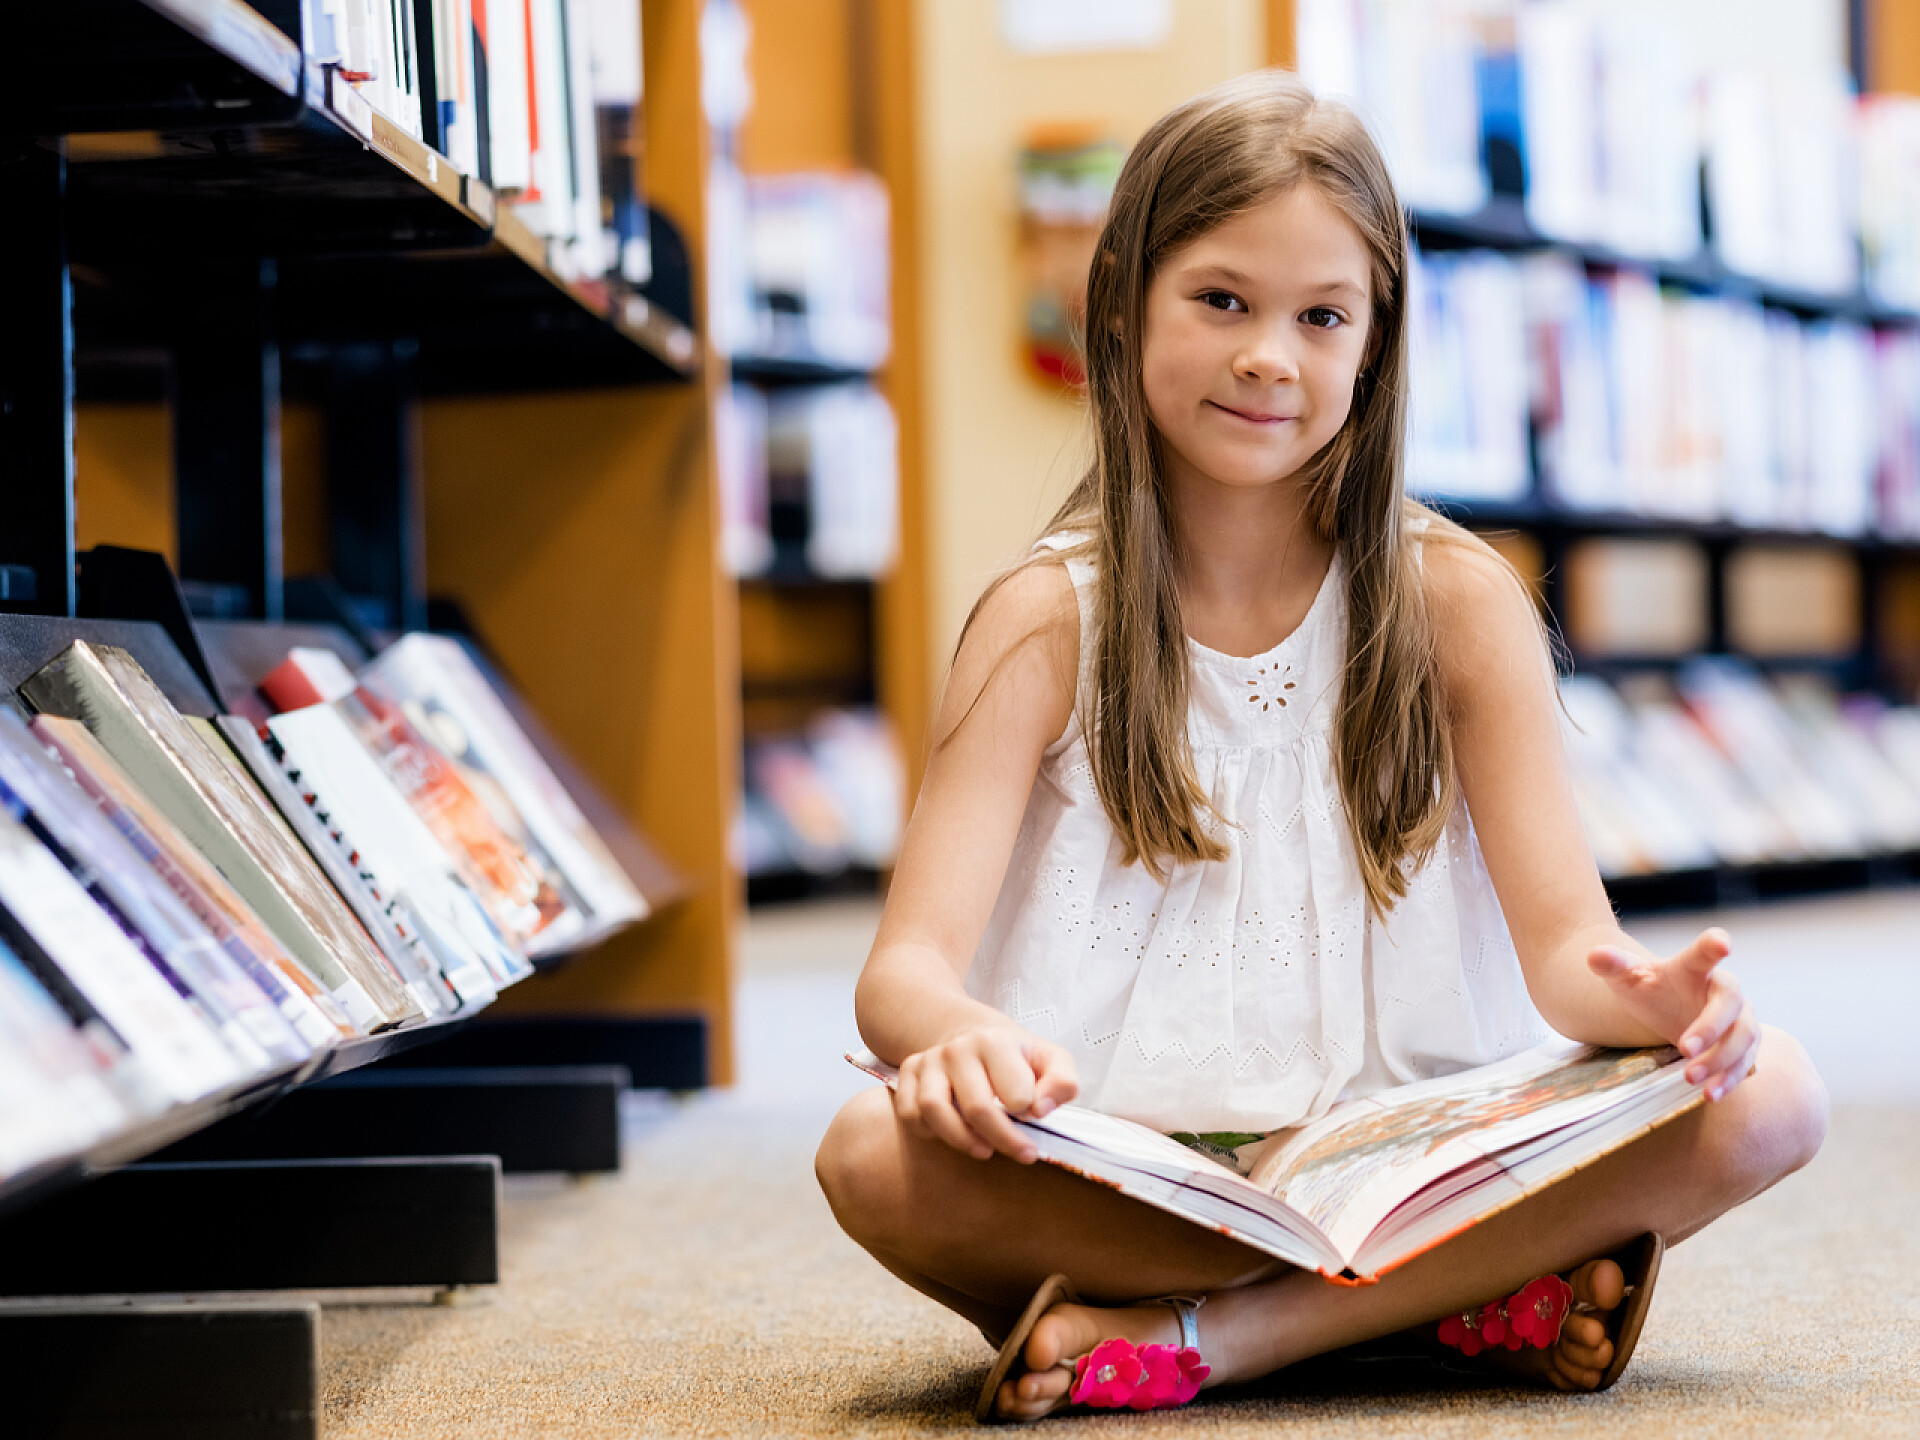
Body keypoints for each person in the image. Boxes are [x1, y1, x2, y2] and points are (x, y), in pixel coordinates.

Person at [813, 69, 1828, 1423]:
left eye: (1321, 317)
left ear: (1375, 345)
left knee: (1773, 1094)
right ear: (1119, 304)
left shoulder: (1457, 600)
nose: (1268, 357)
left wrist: (1649, 1003)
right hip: (1137, 1166)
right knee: (869, 1154)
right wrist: (957, 1038)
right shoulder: (1046, 618)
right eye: (1221, 300)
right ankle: (1445, 1306)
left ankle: (1224, 1341)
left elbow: (1567, 951)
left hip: (1411, 1151)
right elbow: (903, 970)